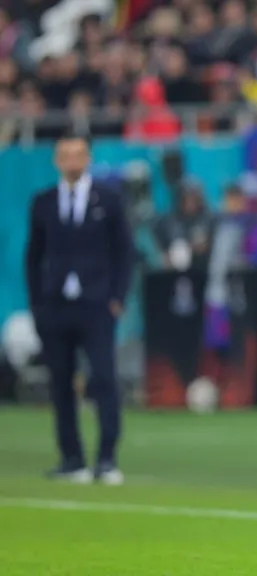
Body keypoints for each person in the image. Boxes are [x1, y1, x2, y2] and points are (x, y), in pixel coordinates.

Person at [25, 132, 134, 485]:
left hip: (97, 303)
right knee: (61, 383)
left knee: (103, 378)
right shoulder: (43, 202)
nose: (72, 161)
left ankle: (106, 457)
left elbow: (124, 251)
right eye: (65, 155)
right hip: (56, 305)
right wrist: (38, 303)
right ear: (57, 161)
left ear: (87, 158)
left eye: (78, 154)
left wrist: (117, 296)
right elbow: (33, 256)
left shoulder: (109, 199)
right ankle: (72, 458)